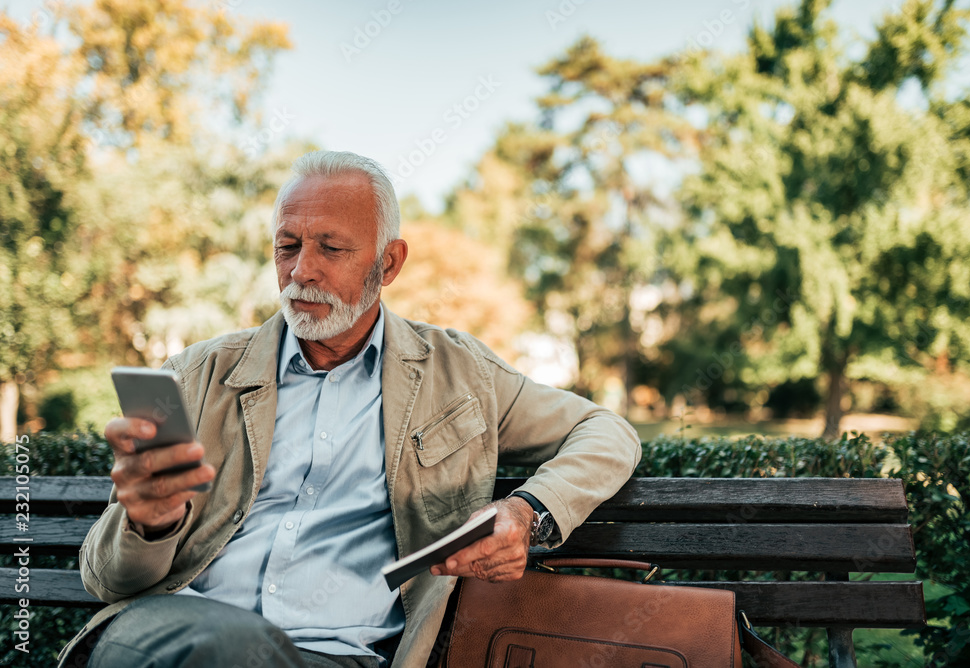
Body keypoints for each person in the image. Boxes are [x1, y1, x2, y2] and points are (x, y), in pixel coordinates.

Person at [59, 150, 641, 668]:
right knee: (221, 643)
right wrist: (150, 524)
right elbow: (111, 580)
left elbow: (606, 431)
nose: (301, 271)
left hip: (339, 655)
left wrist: (526, 511)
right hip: (176, 631)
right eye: (287, 247)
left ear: (388, 264)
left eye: (330, 249)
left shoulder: (459, 374)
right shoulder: (194, 375)